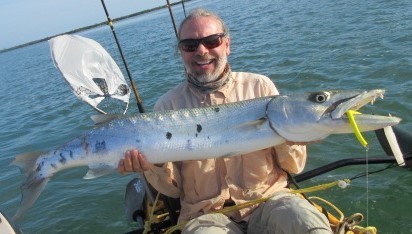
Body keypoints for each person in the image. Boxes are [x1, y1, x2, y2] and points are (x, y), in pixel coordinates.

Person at [118, 8, 333, 234]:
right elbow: (172, 191)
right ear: (182, 53)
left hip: (270, 201)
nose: (202, 51)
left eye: (212, 41)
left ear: (227, 45)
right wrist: (153, 166)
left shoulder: (261, 87)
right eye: (190, 45)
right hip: (205, 215)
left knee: (308, 224)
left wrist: (292, 137)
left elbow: (294, 167)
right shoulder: (166, 106)